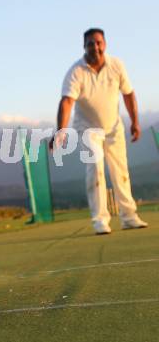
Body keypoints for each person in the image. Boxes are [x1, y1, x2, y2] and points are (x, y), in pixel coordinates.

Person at [51, 28, 148, 235]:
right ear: (84, 47)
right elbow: (67, 101)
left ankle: (129, 217)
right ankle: (100, 221)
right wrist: (61, 130)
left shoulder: (116, 65)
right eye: (90, 44)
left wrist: (135, 122)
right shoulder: (76, 71)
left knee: (120, 171)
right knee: (95, 168)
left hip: (114, 128)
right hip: (88, 130)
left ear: (104, 44)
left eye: (98, 43)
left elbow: (129, 94)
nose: (95, 47)